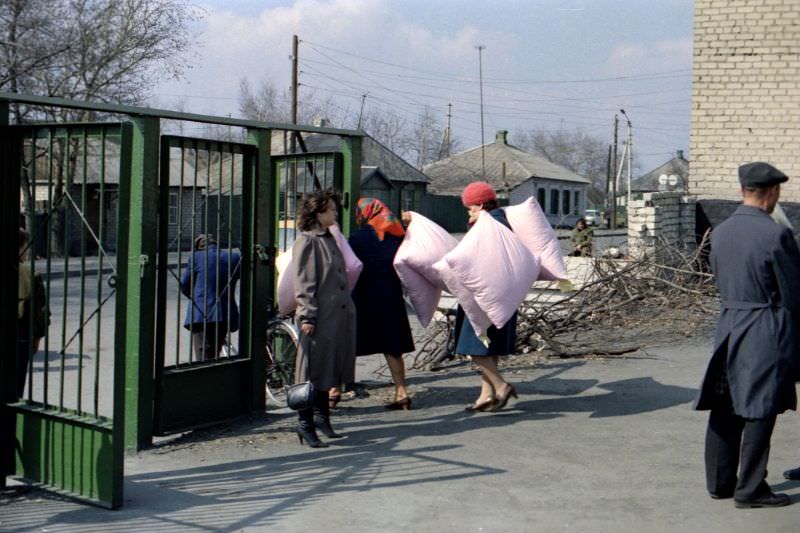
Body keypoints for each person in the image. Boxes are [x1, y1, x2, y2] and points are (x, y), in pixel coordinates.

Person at [694, 162, 800, 509]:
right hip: (764, 328)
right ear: (772, 193)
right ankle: (751, 488)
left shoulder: (720, 232)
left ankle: (720, 482)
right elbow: (793, 295)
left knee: (725, 404)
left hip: (729, 325)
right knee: (760, 407)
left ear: (743, 191)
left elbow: (718, 279)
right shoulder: (776, 235)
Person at [292, 190, 356, 448]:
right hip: (319, 317)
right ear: (317, 213)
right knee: (312, 370)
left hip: (336, 316)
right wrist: (308, 315)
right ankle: (304, 423)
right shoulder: (308, 242)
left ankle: (322, 419)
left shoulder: (329, 238)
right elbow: (304, 283)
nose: (335, 213)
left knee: (328, 368)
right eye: (330, 209)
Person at [456, 181, 518, 412]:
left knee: (474, 347)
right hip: (501, 296)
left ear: (481, 204)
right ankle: (486, 394)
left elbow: (479, 260)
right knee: (488, 348)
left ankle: (501, 387)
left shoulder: (487, 225)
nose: (468, 211)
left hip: (483, 297)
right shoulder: (502, 222)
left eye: (470, 207)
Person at [349, 198, 415, 410]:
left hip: (362, 296)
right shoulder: (397, 236)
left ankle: (333, 392)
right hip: (390, 295)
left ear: (363, 214)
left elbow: (349, 266)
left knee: (350, 344)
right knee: (392, 346)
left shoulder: (356, 238)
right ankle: (402, 392)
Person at [180, 234, 241, 361]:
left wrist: (196, 297)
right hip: (225, 313)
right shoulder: (233, 257)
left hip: (201, 314)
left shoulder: (196, 257)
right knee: (215, 353)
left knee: (203, 358)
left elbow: (185, 285)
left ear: (199, 247)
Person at [17, 228, 49, 398]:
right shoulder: (31, 275)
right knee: (15, 386)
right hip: (20, 337)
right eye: (26, 248)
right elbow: (41, 313)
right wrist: (37, 338)